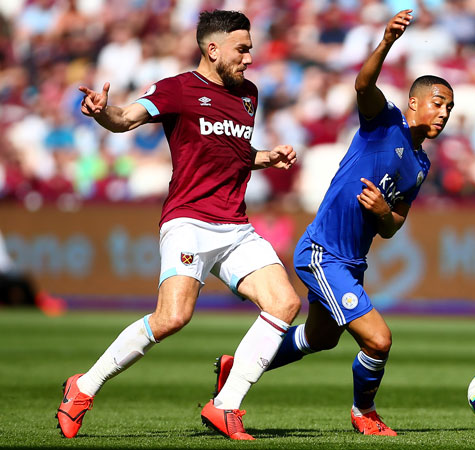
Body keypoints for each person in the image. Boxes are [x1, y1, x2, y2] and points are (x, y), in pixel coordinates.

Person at [56, 10, 301, 441]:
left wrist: (266, 157)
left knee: (284, 303)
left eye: (250, 48)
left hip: (235, 224)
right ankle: (84, 386)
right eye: (241, 49)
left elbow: (234, 153)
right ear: (212, 49)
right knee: (172, 318)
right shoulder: (177, 89)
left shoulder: (249, 95)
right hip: (189, 220)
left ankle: (225, 406)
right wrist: (101, 112)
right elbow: (126, 118)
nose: (249, 57)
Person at [213, 9, 453, 436]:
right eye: (438, 103)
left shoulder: (420, 164)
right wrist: (387, 42)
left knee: (318, 338)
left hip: (350, 261)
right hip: (324, 253)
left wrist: (383, 211)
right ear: (414, 101)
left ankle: (238, 366)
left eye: (449, 108)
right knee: (379, 340)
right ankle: (365, 413)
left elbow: (393, 225)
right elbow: (362, 84)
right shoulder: (386, 121)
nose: (444, 113)